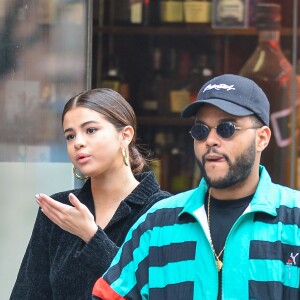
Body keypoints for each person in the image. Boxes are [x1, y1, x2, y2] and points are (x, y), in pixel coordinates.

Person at [92, 74, 300, 300]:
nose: (210, 140)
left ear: (262, 138)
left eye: (226, 128)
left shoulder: (294, 219)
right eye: (201, 130)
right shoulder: (158, 224)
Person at [10, 88, 171, 299]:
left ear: (125, 135)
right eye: (70, 135)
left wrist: (93, 238)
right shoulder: (59, 209)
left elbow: (154, 292)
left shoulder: (163, 211)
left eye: (91, 130)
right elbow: (28, 294)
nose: (78, 142)